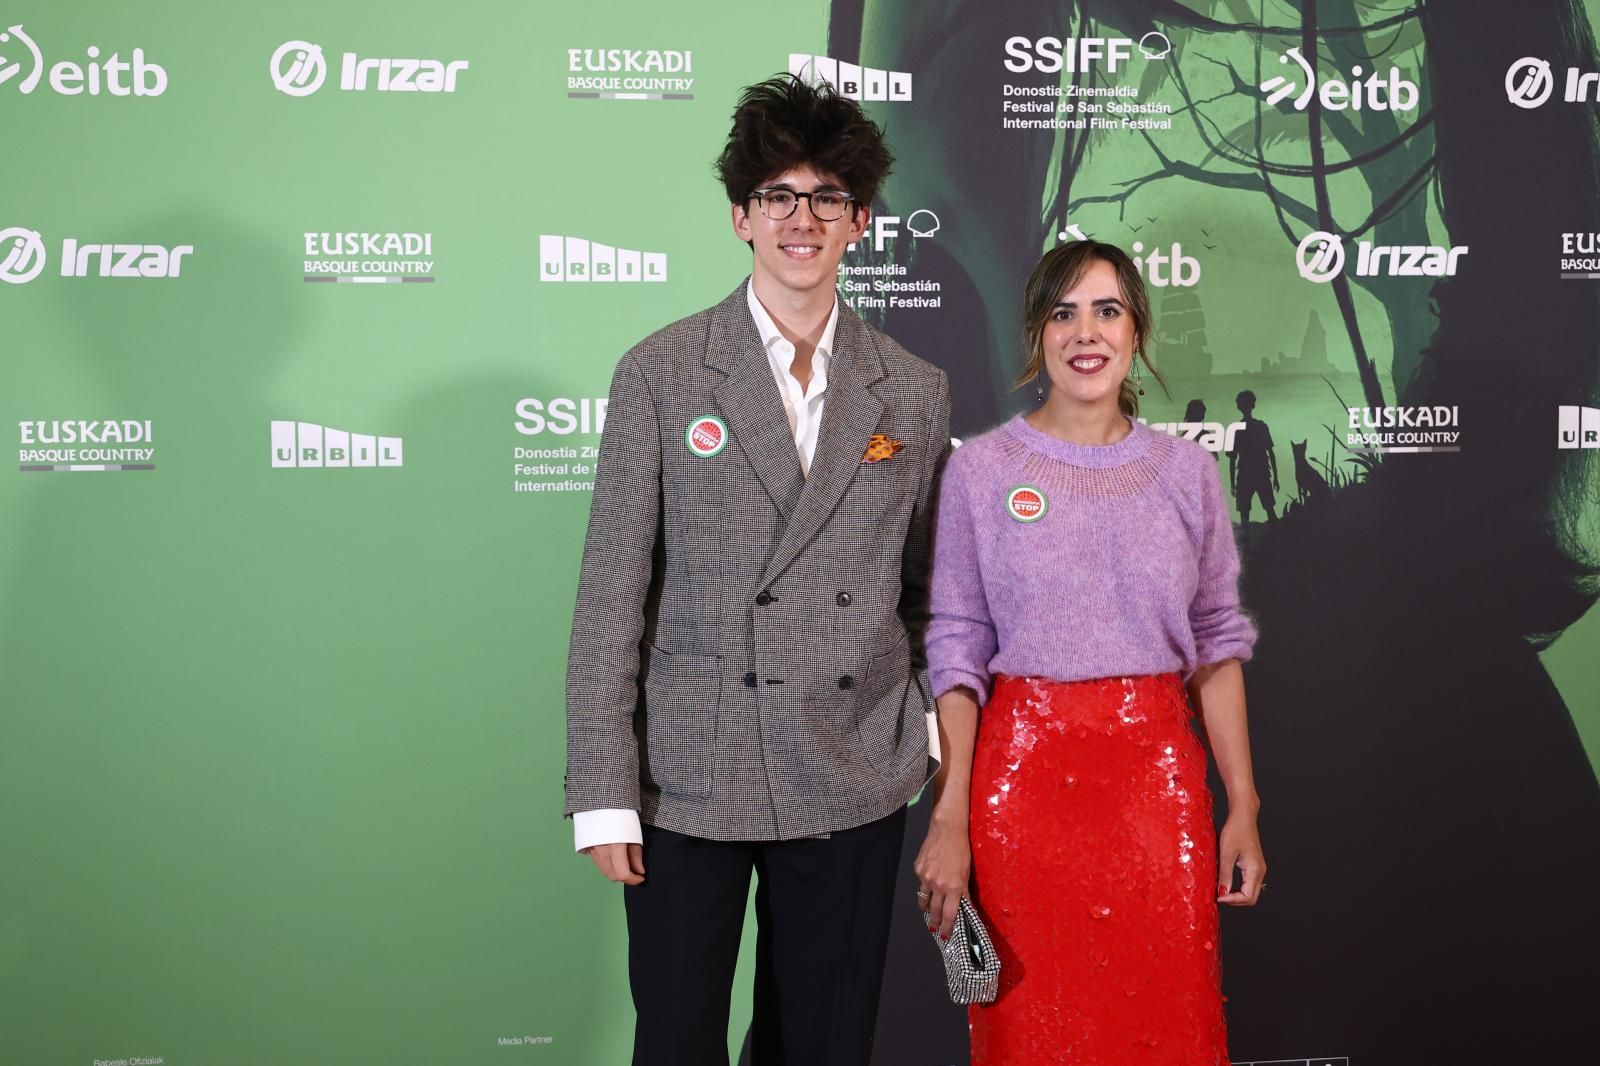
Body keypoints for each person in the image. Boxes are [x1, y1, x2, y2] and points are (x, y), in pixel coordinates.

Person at [564, 74, 950, 1066]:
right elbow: (611, 591)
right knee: (679, 1040)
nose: (801, 219)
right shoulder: (659, 371)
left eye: (826, 197)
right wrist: (604, 788)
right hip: (689, 774)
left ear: (858, 221)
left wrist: (917, 723)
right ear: (740, 215)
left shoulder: (911, 390)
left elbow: (925, 588)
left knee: (820, 1044)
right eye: (777, 195)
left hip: (850, 766)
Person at [913, 240, 1264, 1063]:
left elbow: (1216, 642)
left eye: (1107, 309)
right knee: (1035, 1035)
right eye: (1063, 313)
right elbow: (956, 653)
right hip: (1020, 793)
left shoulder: (1187, 473)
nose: (1086, 332)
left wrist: (1243, 803)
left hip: (1158, 795)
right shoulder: (981, 472)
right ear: (1037, 335)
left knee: (1165, 1030)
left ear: (1137, 327)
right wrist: (951, 814)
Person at [1230, 389, 1278, 524]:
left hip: (1245, 474)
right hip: (1261, 472)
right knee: (1269, 510)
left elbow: (1232, 459)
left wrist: (1232, 482)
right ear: (1253, 405)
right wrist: (1276, 477)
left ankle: (1247, 543)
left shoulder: (1236, 429)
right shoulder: (1260, 426)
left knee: (1245, 514)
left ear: (1239, 406)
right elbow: (1271, 454)